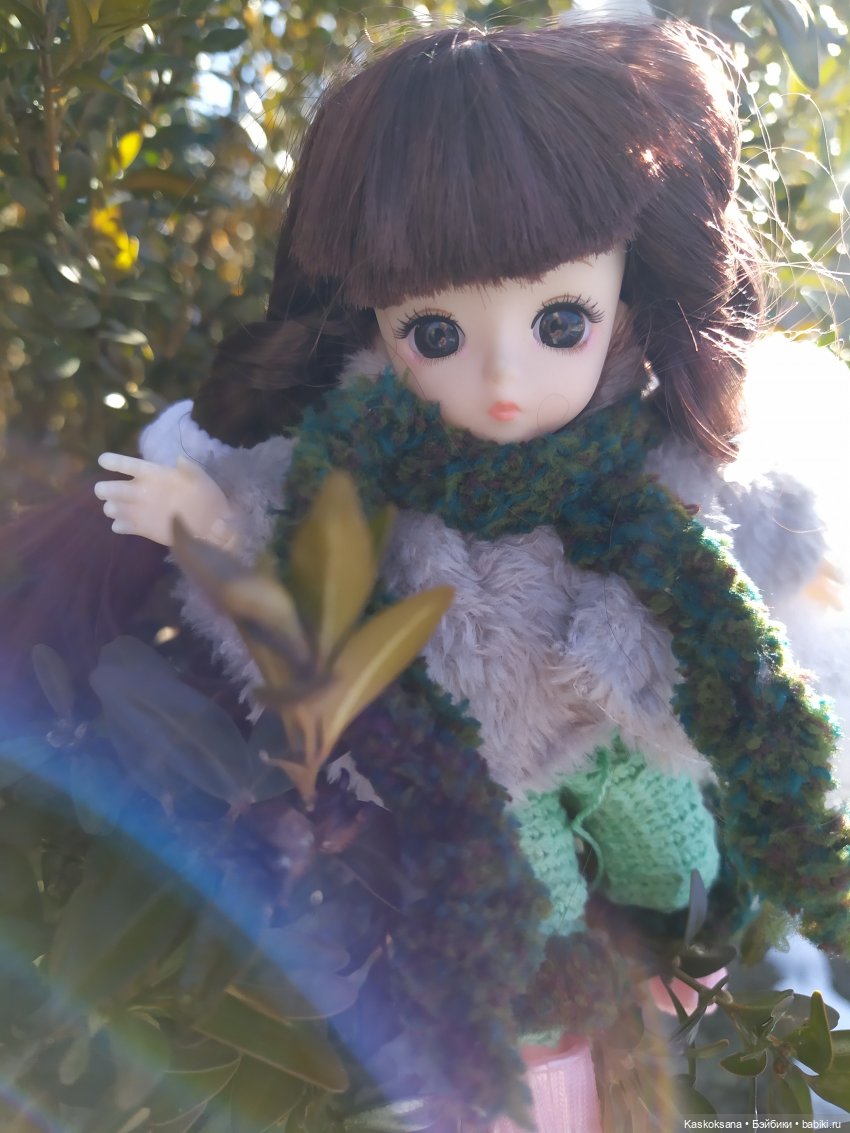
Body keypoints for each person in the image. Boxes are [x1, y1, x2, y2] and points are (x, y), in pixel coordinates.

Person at [67, 17, 850, 1129]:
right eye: (435, 333)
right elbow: (301, 585)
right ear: (378, 321)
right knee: (521, 932)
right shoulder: (359, 463)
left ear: (625, 299)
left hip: (621, 737)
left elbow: (747, 534)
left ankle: (694, 972)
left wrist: (655, 641)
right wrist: (203, 519)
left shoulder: (648, 455)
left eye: (560, 321)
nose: (501, 379)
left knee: (674, 865)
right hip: (483, 774)